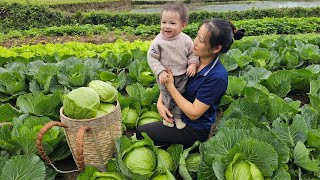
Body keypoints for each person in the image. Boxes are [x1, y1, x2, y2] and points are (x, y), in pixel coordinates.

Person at [137, 18, 245, 147]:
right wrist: (161, 103)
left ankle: (179, 148)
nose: (195, 42)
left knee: (141, 132)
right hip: (178, 112)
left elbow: (194, 113)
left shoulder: (217, 77)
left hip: (193, 128)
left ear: (216, 48)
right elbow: (172, 76)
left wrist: (170, 87)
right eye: (197, 36)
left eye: (201, 40)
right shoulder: (192, 57)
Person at [147, 2, 199, 129]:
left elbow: (192, 53)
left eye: (172, 23)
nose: (167, 26)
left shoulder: (186, 40)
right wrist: (160, 71)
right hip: (165, 76)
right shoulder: (158, 41)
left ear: (182, 25)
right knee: (166, 97)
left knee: (179, 97)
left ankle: (178, 117)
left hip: (182, 75)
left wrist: (192, 64)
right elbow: (152, 58)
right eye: (164, 22)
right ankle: (168, 118)